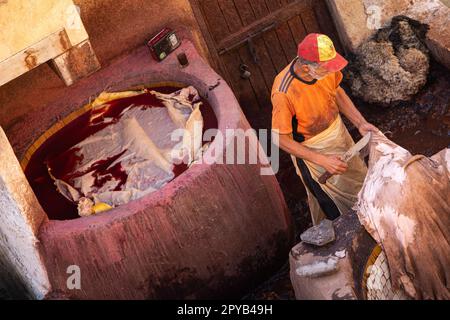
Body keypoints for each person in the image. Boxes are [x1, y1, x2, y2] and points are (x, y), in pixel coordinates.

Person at [271, 33, 378, 225]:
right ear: (306, 68)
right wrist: (323, 161)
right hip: (313, 150)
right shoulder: (283, 92)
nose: (330, 72)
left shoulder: (324, 72)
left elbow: (337, 92)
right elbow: (280, 139)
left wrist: (360, 122)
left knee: (359, 180)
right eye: (326, 68)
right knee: (335, 206)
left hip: (338, 133)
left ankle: (372, 221)